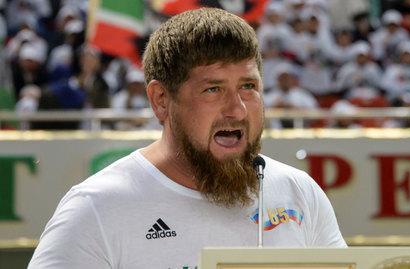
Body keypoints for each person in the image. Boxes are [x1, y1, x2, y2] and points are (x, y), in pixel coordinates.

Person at [28, 8, 346, 269]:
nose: (237, 109)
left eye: (248, 87)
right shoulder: (96, 209)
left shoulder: (300, 192)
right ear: (161, 100)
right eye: (213, 89)